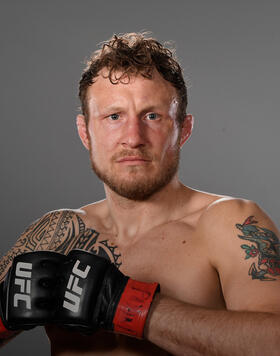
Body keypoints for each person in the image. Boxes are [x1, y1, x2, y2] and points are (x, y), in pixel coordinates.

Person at [0, 32, 280, 356]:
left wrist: (133, 308)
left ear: (183, 129)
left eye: (152, 116)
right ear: (85, 132)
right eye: (114, 117)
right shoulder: (56, 233)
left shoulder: (231, 224)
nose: (133, 138)